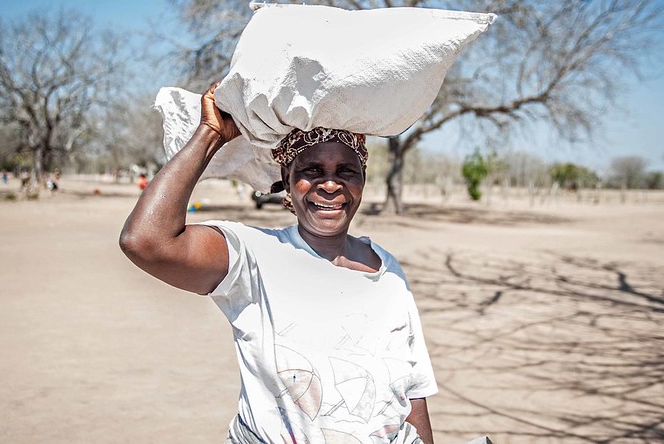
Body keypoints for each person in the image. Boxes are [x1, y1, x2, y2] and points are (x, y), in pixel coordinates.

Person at [119, 84, 437, 443]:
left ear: (362, 180)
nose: (330, 185)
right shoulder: (255, 255)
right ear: (287, 180)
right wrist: (211, 135)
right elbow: (145, 241)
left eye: (346, 171)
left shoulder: (388, 271)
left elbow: (412, 392)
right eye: (312, 170)